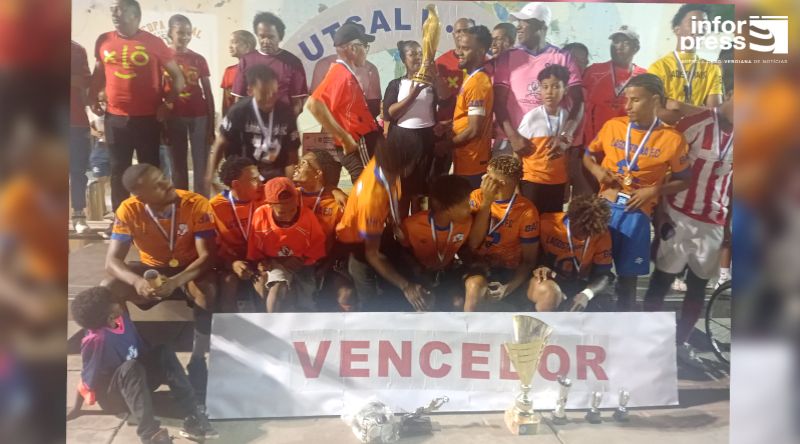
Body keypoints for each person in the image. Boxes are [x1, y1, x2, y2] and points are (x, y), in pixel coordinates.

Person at [102, 164, 217, 401]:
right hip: (151, 271)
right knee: (108, 288)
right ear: (140, 196)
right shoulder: (129, 209)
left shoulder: (195, 204)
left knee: (207, 289)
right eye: (157, 185)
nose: (167, 184)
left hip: (187, 269)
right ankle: (131, 355)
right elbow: (112, 261)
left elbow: (207, 257)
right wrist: (136, 282)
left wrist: (176, 281)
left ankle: (197, 360)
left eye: (163, 177)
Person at [582, 73, 691, 311]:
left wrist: (654, 190)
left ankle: (626, 332)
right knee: (593, 274)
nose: (627, 106)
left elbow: (684, 180)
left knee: (627, 280)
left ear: (654, 101)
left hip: (636, 214)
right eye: (627, 100)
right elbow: (588, 155)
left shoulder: (672, 139)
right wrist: (597, 170)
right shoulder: (613, 126)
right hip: (603, 210)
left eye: (635, 100)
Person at [643, 87, 733, 364]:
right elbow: (666, 164)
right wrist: (660, 212)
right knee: (661, 281)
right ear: (730, 93)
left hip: (715, 220)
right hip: (679, 213)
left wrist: (729, 227)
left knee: (697, 286)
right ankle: (646, 341)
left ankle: (679, 343)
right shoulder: (697, 123)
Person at [70, 286, 217, 443]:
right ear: (109, 316)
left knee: (163, 350)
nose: (119, 303)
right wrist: (75, 408)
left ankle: (192, 415)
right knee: (130, 366)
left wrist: (172, 376)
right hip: (113, 397)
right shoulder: (96, 340)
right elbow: (87, 375)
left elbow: (143, 351)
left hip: (137, 382)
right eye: (114, 303)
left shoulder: (123, 319)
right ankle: (150, 435)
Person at [89, 0, 186, 217]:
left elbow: (178, 77)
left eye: (120, 10)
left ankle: (152, 216)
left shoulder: (154, 43)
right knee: (118, 170)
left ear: (135, 15)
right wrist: (91, 96)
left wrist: (168, 103)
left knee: (149, 170)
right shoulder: (103, 40)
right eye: (112, 10)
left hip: (148, 118)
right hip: (115, 118)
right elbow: (98, 72)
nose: (114, 14)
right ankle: (121, 218)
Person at [335, 131, 426, 311]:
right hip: (357, 245)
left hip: (377, 230)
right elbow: (372, 254)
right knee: (371, 305)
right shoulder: (372, 200)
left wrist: (393, 221)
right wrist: (406, 287)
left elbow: (390, 197)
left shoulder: (383, 163)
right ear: (407, 166)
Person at [493, 2, 584, 160]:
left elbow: (578, 101)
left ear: (542, 26)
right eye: (518, 22)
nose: (519, 27)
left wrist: (565, 135)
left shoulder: (563, 57)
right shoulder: (507, 57)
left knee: (548, 185)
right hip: (510, 143)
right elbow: (498, 101)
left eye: (524, 22)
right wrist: (514, 137)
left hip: (549, 145)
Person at [306, 23, 380, 184]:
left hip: (363, 141)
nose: (366, 51)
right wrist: (344, 138)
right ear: (353, 48)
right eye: (365, 46)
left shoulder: (345, 73)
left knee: (367, 184)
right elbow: (314, 104)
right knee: (369, 185)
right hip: (358, 142)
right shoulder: (341, 74)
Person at [464, 155, 540, 312]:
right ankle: (470, 334)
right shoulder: (476, 197)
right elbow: (472, 243)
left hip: (508, 270)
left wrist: (508, 288)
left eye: (489, 177)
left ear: (501, 184)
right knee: (474, 287)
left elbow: (529, 260)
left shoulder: (526, 211)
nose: (483, 178)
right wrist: (486, 203)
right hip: (477, 266)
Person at [208, 65, 300, 185]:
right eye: (264, 93)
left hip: (276, 172)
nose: (270, 98)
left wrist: (290, 184)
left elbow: (292, 154)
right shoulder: (238, 111)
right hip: (245, 173)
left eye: (274, 93)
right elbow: (221, 143)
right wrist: (210, 175)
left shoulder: (286, 112)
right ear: (250, 90)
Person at [247, 177, 326, 313]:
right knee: (278, 287)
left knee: (306, 302)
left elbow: (317, 243)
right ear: (270, 205)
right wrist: (262, 261)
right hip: (274, 262)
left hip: (302, 263)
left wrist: (303, 259)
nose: (288, 216)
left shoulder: (307, 216)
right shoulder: (260, 215)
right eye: (282, 213)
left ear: (296, 201)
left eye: (292, 210)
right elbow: (254, 244)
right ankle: (271, 327)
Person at [398, 175, 473, 311]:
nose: (470, 207)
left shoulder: (467, 222)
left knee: (458, 302)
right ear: (448, 207)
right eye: (466, 203)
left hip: (447, 273)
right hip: (420, 275)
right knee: (425, 302)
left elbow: (466, 248)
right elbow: (403, 253)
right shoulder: (411, 225)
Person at [383, 40, 440, 216]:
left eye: (420, 53)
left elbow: (445, 101)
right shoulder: (396, 84)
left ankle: (419, 231)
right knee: (403, 192)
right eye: (412, 54)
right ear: (403, 59)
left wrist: (435, 77)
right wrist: (413, 94)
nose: (417, 57)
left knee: (421, 192)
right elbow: (389, 113)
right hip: (403, 142)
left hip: (426, 141)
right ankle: (400, 234)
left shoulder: (432, 84)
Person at [292, 150, 354, 312]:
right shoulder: (288, 196)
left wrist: (333, 190)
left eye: (304, 163)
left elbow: (344, 243)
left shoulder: (337, 203)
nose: (297, 166)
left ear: (318, 173)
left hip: (326, 263)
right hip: (291, 262)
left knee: (346, 294)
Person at [530, 194, 615, 312]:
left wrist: (587, 294)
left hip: (581, 284)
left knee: (605, 303)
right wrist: (541, 266)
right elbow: (529, 255)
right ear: (571, 219)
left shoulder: (601, 233)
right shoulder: (547, 223)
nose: (584, 237)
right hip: (550, 278)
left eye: (589, 233)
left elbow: (604, 275)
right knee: (550, 294)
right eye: (581, 231)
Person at [163, 14, 215, 196]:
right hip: (173, 117)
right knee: (177, 164)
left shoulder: (198, 59)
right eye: (180, 32)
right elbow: (157, 92)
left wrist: (210, 126)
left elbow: (208, 92)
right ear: (170, 32)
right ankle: (181, 204)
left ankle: (201, 205)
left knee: (201, 164)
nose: (184, 36)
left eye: (188, 33)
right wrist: (162, 124)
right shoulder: (162, 58)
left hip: (199, 116)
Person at [209, 156, 265, 313]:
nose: (260, 183)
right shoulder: (215, 207)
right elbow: (213, 245)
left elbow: (299, 191)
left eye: (259, 177)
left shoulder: (266, 197)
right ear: (236, 184)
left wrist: (334, 191)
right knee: (229, 284)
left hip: (262, 260)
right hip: (231, 263)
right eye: (254, 180)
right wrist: (232, 263)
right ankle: (228, 334)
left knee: (265, 283)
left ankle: (269, 333)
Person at [516, 64, 572, 213]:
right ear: (539, 89)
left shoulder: (568, 119)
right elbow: (516, 152)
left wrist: (567, 184)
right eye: (545, 87)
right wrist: (515, 185)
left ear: (565, 90)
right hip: (532, 181)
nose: (549, 92)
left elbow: (568, 157)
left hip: (558, 183)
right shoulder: (531, 118)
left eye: (555, 87)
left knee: (551, 226)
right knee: (530, 224)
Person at [443, 25, 494, 189]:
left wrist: (446, 145)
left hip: (473, 162)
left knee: (471, 211)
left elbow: (473, 130)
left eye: (465, 49)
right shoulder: (472, 78)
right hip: (465, 159)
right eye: (459, 47)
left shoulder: (478, 83)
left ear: (480, 51)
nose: (459, 52)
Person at [583, 26, 647, 154]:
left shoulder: (644, 77)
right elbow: (579, 106)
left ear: (636, 48)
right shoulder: (594, 71)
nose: (619, 46)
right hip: (593, 146)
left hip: (624, 148)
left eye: (626, 42)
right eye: (615, 41)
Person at [231, 12, 308, 117]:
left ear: (280, 37)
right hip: (251, 123)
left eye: (271, 37)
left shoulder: (293, 62)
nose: (266, 41)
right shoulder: (246, 61)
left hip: (281, 123)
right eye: (261, 36)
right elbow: (238, 99)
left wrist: (288, 125)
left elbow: (297, 102)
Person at [648, 4, 723, 107]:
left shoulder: (712, 69)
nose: (699, 28)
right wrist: (699, 110)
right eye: (694, 22)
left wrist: (677, 105)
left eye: (704, 24)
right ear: (677, 29)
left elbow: (714, 114)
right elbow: (655, 110)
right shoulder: (658, 67)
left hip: (699, 124)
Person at [310, 54, 382, 118]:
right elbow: (314, 103)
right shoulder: (324, 65)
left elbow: (375, 107)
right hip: (331, 127)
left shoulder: (370, 68)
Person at [435, 17, 475, 122]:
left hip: (474, 124)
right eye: (458, 31)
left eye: (466, 30)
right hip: (446, 125)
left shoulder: (484, 61)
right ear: (453, 35)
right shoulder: (440, 62)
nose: (461, 34)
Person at [71, 41, 92, 234]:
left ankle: (78, 215)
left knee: (77, 172)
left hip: (76, 121)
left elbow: (86, 82)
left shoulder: (77, 49)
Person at [220, 30, 256, 117]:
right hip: (235, 121)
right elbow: (226, 103)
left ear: (247, 46)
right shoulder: (229, 71)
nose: (230, 46)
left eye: (234, 42)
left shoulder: (262, 70)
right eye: (230, 43)